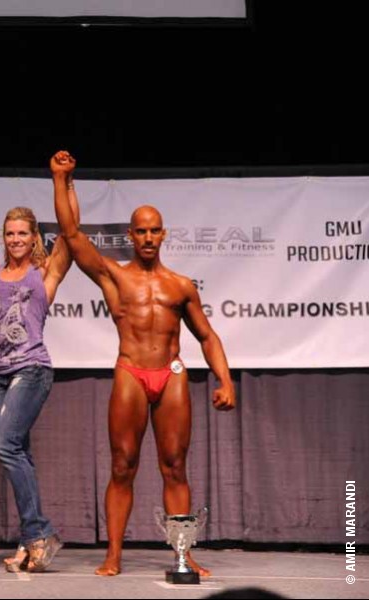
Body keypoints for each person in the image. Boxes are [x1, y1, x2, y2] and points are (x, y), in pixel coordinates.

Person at [49, 150, 236, 577]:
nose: (148, 238)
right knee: (122, 465)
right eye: (142, 231)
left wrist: (225, 380)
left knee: (175, 467)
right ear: (130, 235)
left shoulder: (180, 286)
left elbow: (207, 336)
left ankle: (183, 555)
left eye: (155, 231)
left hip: (171, 374)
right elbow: (72, 235)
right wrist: (61, 179)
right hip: (131, 371)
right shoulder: (115, 276)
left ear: (163, 234)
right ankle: (113, 554)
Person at [0, 158, 77, 572]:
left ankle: (40, 532)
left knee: (5, 444)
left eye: (23, 233)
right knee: (17, 451)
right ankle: (29, 542)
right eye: (10, 233)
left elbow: (71, 232)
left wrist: (64, 180)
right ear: (2, 237)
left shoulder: (45, 272)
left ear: (34, 236)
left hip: (32, 369)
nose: (16, 239)